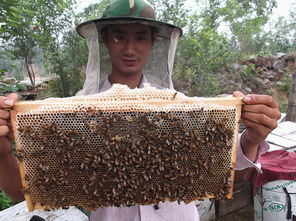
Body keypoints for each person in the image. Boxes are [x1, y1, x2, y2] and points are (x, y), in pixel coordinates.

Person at [0, 0, 281, 220]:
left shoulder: (182, 107)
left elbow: (226, 177)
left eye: (141, 37)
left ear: (153, 43)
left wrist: (251, 139)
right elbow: (24, 194)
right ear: (105, 41)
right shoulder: (71, 117)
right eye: (119, 37)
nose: (130, 49)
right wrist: (2, 151)